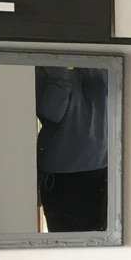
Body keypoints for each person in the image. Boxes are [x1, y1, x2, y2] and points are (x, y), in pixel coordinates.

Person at [35, 66, 109, 232]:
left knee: (103, 239)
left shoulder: (100, 67)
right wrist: (59, 75)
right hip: (61, 173)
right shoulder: (45, 68)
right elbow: (51, 113)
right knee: (66, 239)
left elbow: (115, 97)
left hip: (100, 166)